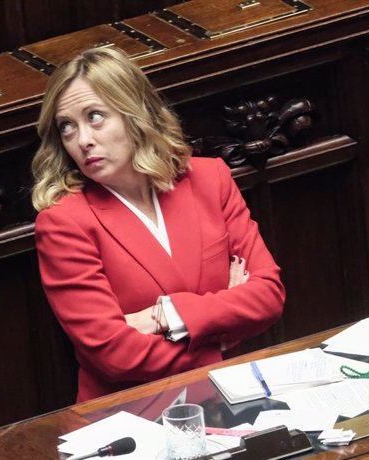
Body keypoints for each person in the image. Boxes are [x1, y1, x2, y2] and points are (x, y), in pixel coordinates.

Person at [32, 47, 285, 402]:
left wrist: (165, 316)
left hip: (235, 400)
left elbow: (268, 297)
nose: (83, 139)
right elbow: (114, 355)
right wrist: (221, 339)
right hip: (134, 419)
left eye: (95, 116)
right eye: (67, 127)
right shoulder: (63, 223)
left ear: (135, 114)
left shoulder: (210, 179)